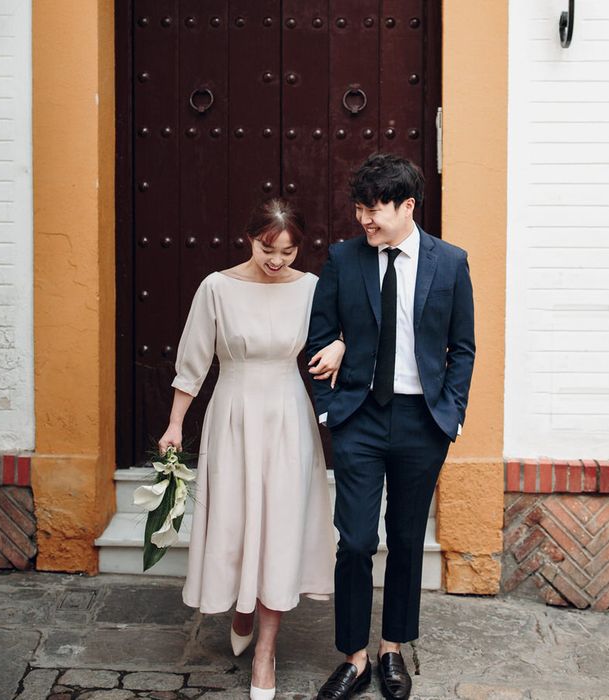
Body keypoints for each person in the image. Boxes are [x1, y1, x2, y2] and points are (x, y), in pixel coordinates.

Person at [158, 199, 344, 700]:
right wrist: (175, 424)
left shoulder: (310, 289)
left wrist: (342, 344)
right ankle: (242, 604)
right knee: (237, 520)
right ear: (249, 239)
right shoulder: (217, 287)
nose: (277, 260)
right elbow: (192, 361)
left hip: (287, 416)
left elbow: (343, 333)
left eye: (287, 251)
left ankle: (266, 650)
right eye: (268, 249)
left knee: (280, 524)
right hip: (233, 415)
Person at [307, 154, 475, 700]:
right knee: (356, 541)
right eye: (358, 208)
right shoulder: (343, 259)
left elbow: (463, 348)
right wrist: (330, 410)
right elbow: (317, 339)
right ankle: (353, 659)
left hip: (421, 422)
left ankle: (392, 649)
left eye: (374, 209)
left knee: (405, 540)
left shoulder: (450, 263)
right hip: (359, 418)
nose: (364, 220)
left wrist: (449, 414)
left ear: (407, 206)